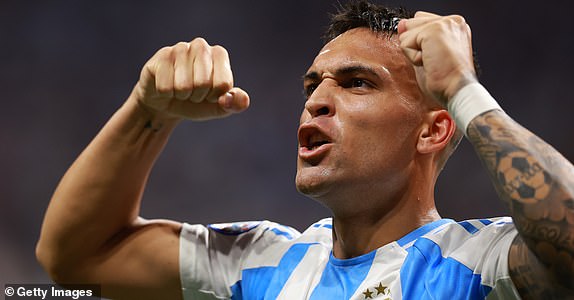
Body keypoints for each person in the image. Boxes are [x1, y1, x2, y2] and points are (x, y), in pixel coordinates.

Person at [36, 1, 573, 299]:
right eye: (313, 84)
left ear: (433, 131)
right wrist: (147, 111)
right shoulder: (260, 263)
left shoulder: (480, 262)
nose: (316, 101)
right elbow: (77, 258)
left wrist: (461, 89)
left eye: (357, 83)